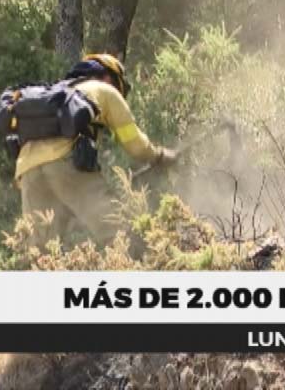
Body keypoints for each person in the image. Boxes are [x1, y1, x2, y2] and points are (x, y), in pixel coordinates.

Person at [14, 53, 176, 248]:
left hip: (28, 171)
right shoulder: (105, 90)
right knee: (118, 234)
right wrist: (159, 156)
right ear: (109, 77)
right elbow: (135, 144)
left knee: (38, 250)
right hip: (65, 163)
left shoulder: (59, 94)